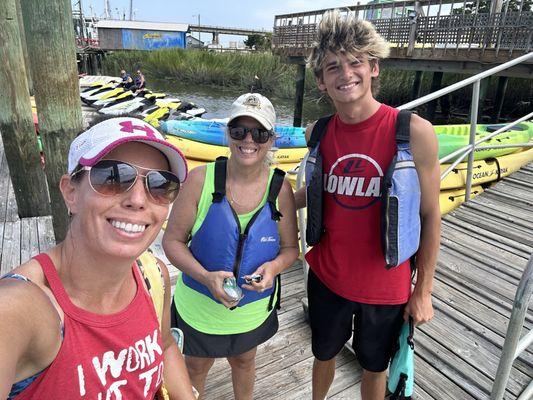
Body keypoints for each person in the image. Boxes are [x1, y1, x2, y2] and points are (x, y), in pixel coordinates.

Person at [293, 10, 441, 400]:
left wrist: (423, 290)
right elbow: (315, 192)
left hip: (387, 286)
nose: (346, 73)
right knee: (322, 353)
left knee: (374, 366)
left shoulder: (413, 133)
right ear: (322, 83)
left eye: (355, 61)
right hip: (327, 276)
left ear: (373, 67)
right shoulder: (318, 133)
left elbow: (429, 215)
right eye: (332, 67)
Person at [0, 117, 197, 399]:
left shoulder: (152, 275)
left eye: (160, 185)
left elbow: (164, 345)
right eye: (113, 177)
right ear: (70, 192)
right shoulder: (20, 308)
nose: (139, 199)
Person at [162, 93, 299, 399]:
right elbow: (171, 242)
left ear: (271, 138)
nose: (249, 139)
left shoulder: (281, 189)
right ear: (228, 133)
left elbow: (291, 249)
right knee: (196, 366)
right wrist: (205, 277)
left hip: (251, 310)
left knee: (244, 360)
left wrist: (274, 267)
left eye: (260, 132)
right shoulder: (200, 180)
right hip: (198, 309)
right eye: (239, 131)